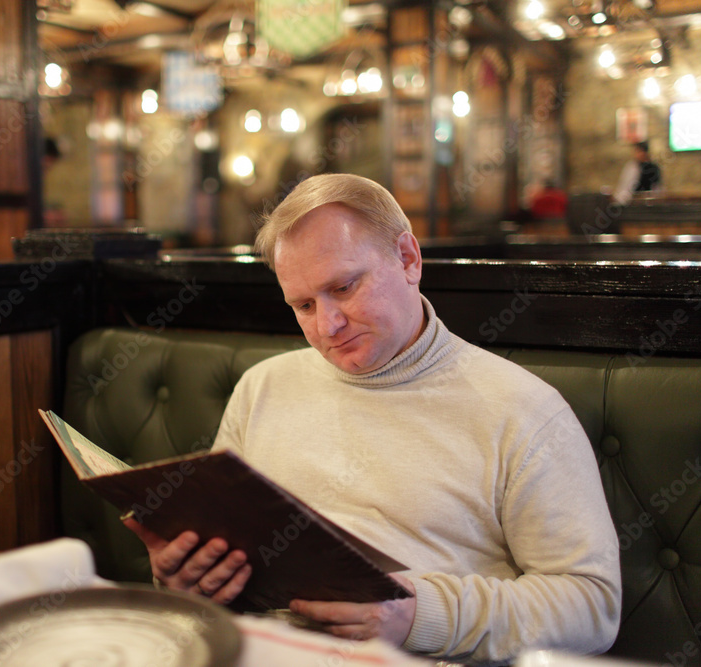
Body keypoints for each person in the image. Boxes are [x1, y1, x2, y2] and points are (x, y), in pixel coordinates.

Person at [125, 174, 621, 665]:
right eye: (303, 305)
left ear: (408, 259)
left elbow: (592, 606)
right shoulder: (262, 387)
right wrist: (187, 577)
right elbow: (219, 549)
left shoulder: (522, 410)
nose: (327, 326)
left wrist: (417, 616)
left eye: (344, 287)